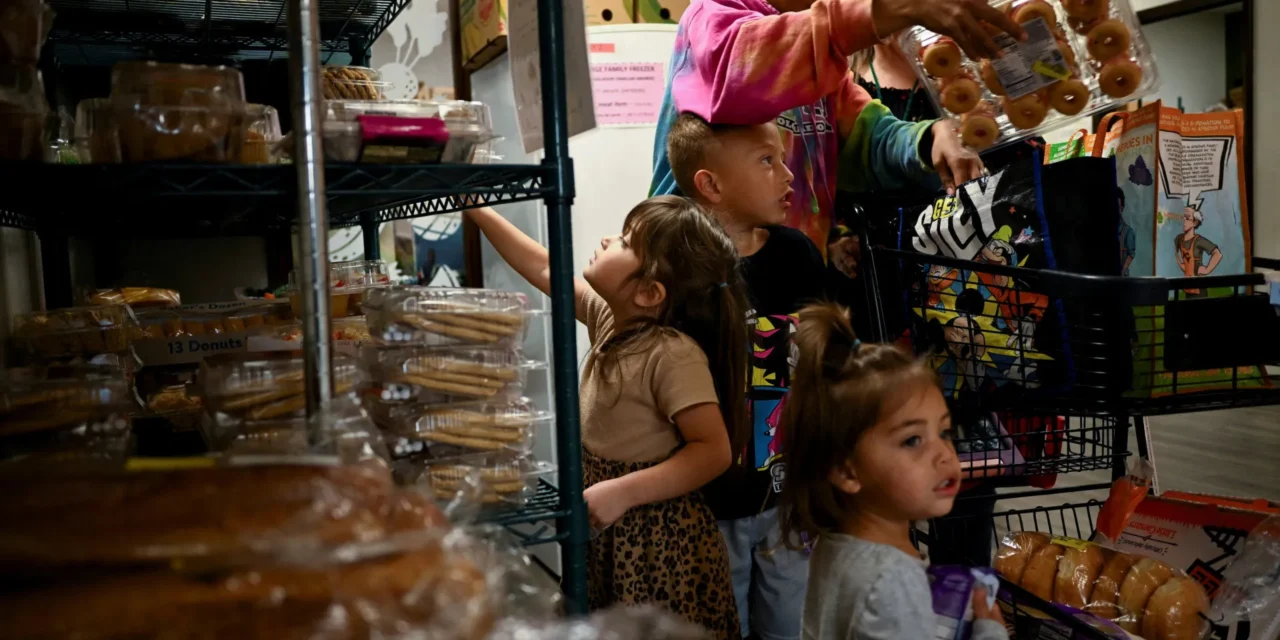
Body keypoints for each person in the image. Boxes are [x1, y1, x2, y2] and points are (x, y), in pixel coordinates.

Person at [465, 197, 750, 639]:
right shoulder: (612, 319)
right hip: (611, 531)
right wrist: (479, 208)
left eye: (624, 240)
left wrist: (622, 492)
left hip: (659, 546)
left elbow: (713, 451)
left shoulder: (671, 354)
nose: (606, 239)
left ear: (649, 292)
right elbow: (543, 267)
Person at [649, 0, 1024, 274]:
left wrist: (929, 139)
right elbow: (741, 68)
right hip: (698, 276)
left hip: (790, 277)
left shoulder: (825, 65)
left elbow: (867, 136)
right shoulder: (711, 16)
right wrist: (885, 11)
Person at [666, 111, 827, 640]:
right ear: (709, 185)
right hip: (708, 507)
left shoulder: (796, 253)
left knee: (791, 626)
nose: (787, 175)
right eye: (766, 161)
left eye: (783, 158)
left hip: (790, 499)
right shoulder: (678, 269)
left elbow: (828, 362)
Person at [776, 303, 1008, 640]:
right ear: (846, 471)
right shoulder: (892, 581)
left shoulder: (836, 545)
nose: (944, 454)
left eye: (944, 432)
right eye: (913, 440)